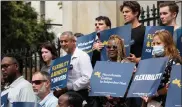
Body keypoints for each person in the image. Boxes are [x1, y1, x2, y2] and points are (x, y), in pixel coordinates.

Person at [141, 30, 182, 107]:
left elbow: (174, 86)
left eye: (158, 43)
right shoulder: (154, 60)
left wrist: (155, 94)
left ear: (167, 44)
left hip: (166, 102)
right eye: (153, 43)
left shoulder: (175, 61)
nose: (155, 46)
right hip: (150, 102)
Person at [54, 31, 93, 104]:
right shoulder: (63, 57)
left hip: (80, 95)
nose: (63, 44)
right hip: (67, 94)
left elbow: (88, 77)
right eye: (61, 42)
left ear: (73, 42)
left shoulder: (82, 56)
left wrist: (70, 86)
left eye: (66, 41)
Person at [99, 35, 131, 107]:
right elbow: (100, 84)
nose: (111, 49)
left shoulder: (126, 64)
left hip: (122, 104)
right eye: (109, 47)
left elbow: (126, 86)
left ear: (120, 48)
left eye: (115, 47)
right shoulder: (104, 65)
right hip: (106, 104)